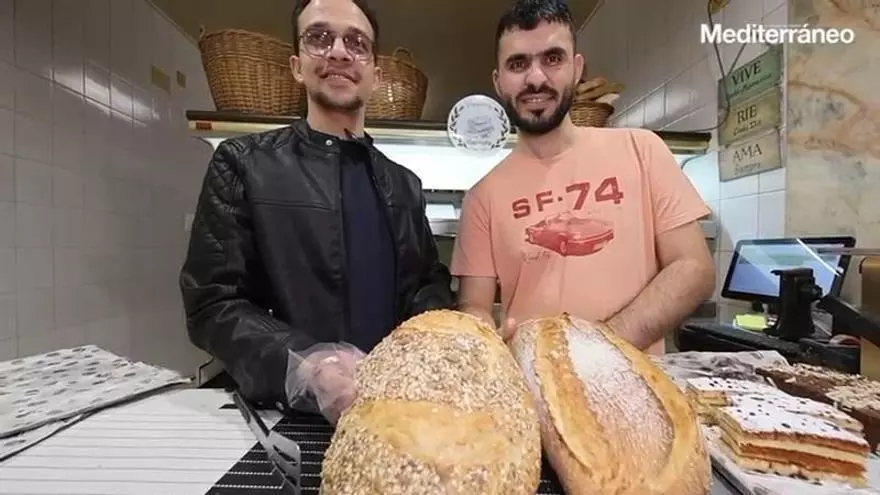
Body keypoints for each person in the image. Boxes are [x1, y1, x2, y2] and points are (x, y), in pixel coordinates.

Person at [179, 0, 452, 424]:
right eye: (320, 38)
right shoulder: (243, 164)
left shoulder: (405, 184)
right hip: (281, 416)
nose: (339, 52)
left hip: (391, 414)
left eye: (357, 42)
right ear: (296, 65)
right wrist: (306, 369)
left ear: (375, 74)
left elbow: (426, 286)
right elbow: (212, 304)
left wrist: (425, 340)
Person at [451, 0, 715, 355]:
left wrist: (598, 349)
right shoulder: (482, 197)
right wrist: (481, 334)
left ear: (577, 69)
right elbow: (475, 307)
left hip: (636, 388)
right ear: (498, 82)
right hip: (535, 390)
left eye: (552, 58)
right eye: (518, 64)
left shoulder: (641, 149)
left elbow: (694, 267)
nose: (536, 78)